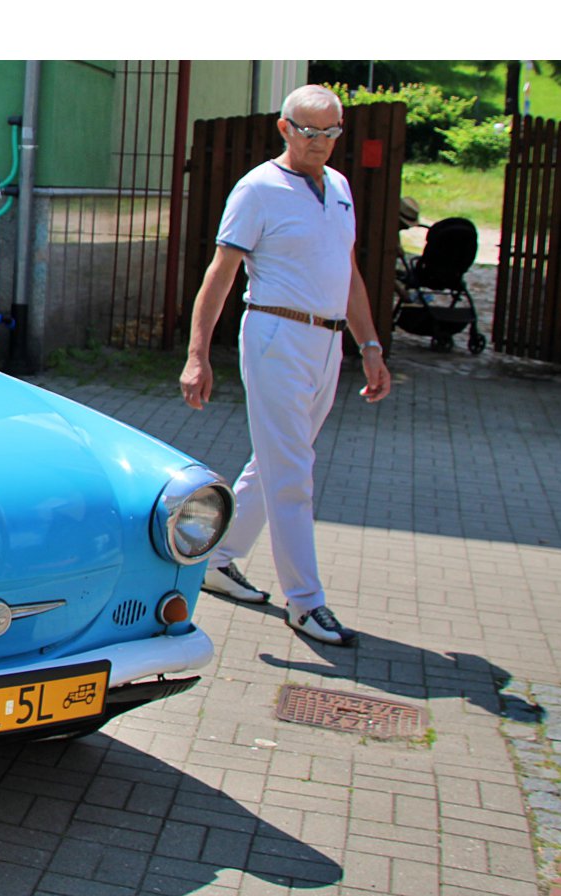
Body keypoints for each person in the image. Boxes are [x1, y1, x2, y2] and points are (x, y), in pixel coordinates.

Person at [180, 84, 391, 648]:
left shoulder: (340, 187)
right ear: (284, 128)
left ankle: (218, 559)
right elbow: (219, 274)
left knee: (277, 461)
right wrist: (198, 356)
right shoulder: (257, 189)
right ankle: (306, 602)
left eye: (330, 133)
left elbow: (346, 272)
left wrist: (370, 347)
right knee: (294, 474)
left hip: (329, 342)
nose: (320, 143)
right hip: (276, 334)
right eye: (308, 131)